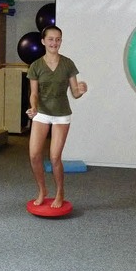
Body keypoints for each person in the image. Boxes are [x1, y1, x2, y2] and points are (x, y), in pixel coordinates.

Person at [26, 25, 87, 208]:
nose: (55, 42)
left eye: (58, 39)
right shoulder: (36, 66)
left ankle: (60, 191)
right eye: (51, 39)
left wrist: (82, 90)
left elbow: (75, 93)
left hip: (61, 115)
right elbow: (34, 93)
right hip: (42, 113)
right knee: (34, 155)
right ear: (43, 41)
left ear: (61, 41)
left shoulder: (68, 64)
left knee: (54, 157)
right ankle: (42, 190)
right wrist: (34, 108)